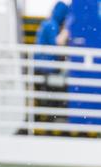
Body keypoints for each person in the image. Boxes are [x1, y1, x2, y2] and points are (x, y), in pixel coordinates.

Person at [33, 2, 71, 132]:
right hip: (45, 70)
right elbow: (57, 44)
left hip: (42, 69)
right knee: (61, 88)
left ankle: (50, 118)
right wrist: (66, 32)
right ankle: (53, 119)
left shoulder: (47, 24)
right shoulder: (51, 25)